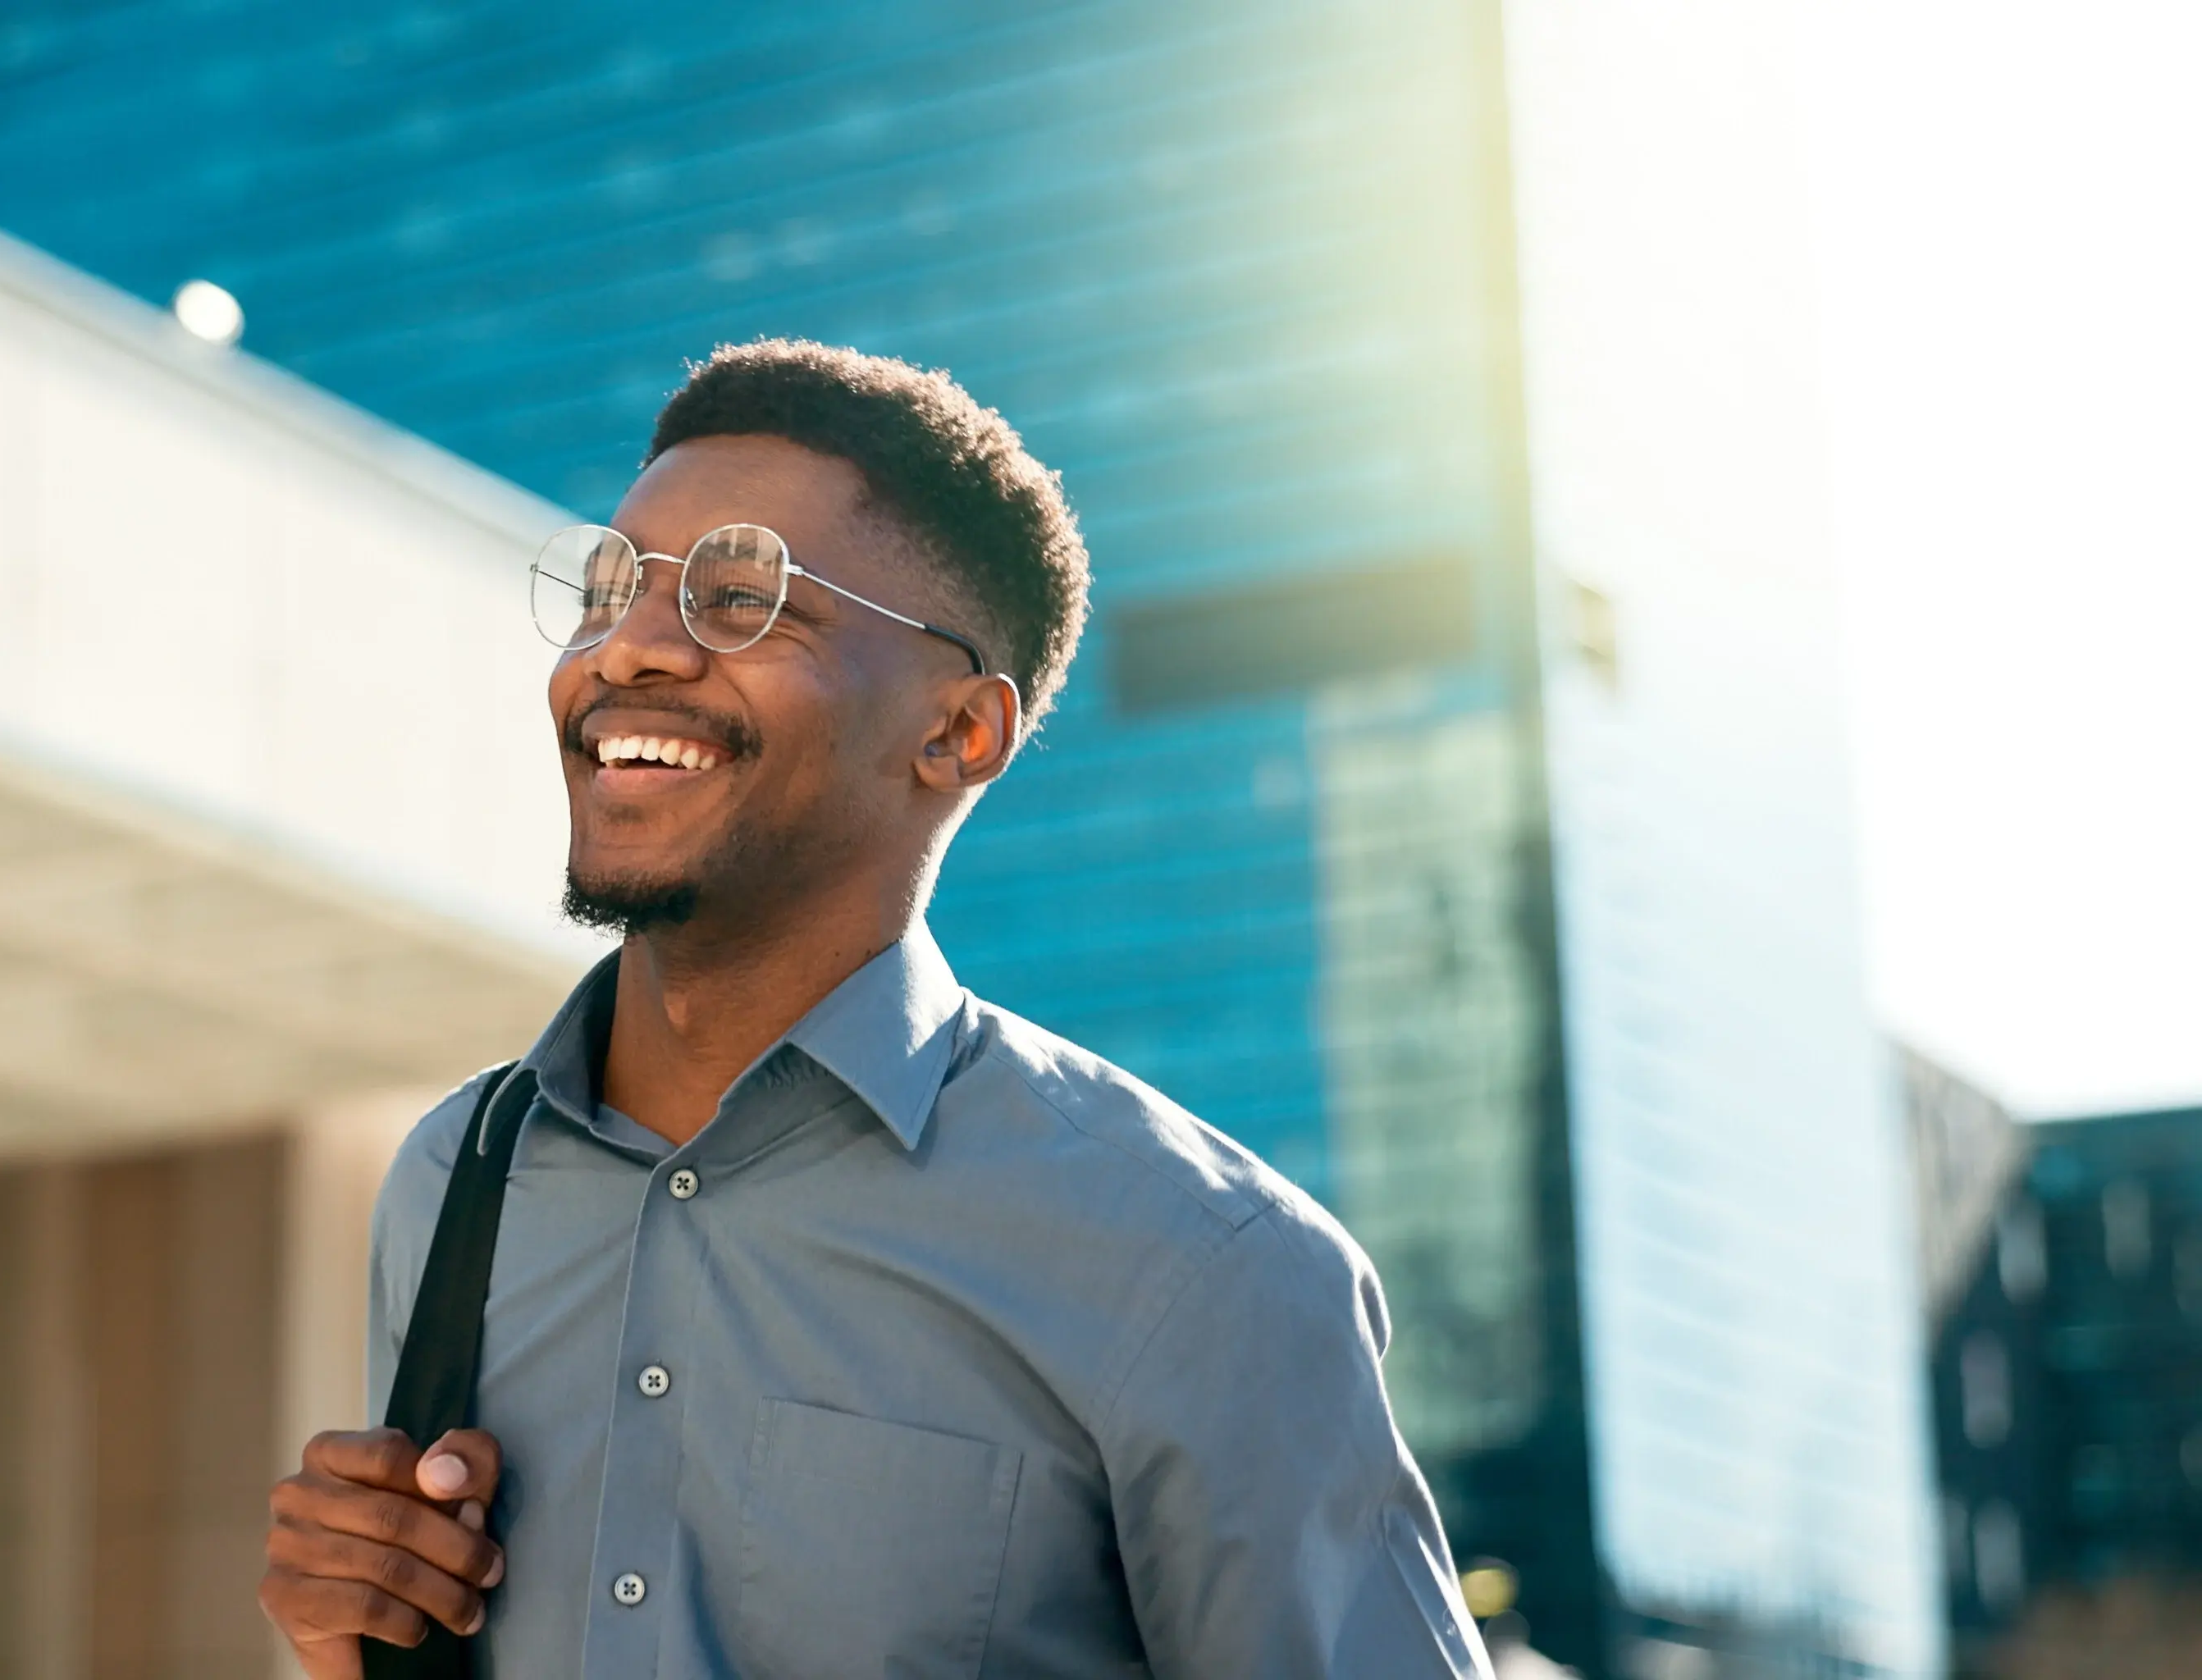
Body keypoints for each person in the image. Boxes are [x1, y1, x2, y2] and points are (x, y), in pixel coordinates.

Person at [257, 340, 1490, 1678]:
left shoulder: (1209, 1271)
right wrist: (351, 1648)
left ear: (960, 732)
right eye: (614, 590)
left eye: (742, 598)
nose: (633, 653)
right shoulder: (455, 1178)